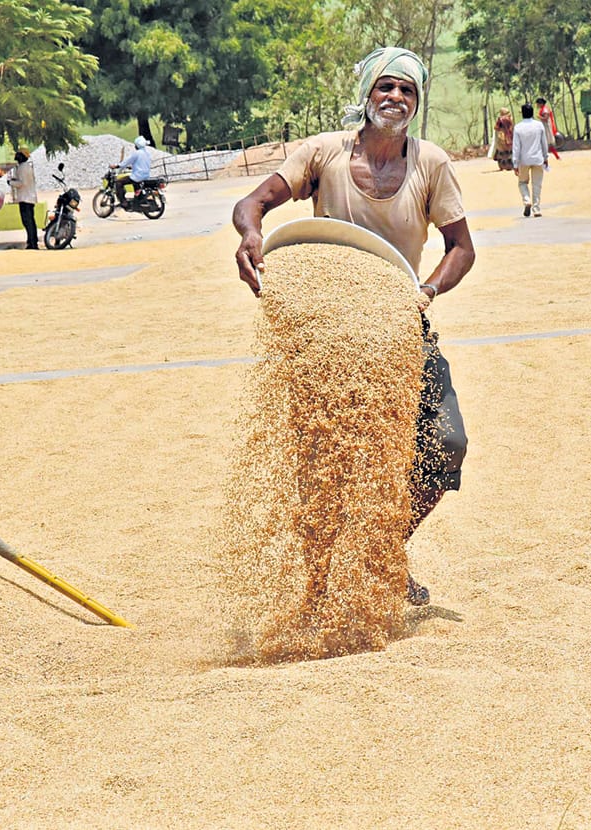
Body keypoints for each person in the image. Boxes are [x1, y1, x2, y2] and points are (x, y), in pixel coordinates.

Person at [233, 46, 476, 607]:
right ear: (367, 94)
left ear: (417, 102)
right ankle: (321, 588)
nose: (395, 98)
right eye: (385, 88)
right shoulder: (325, 153)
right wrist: (249, 234)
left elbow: (461, 248)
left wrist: (427, 290)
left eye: (407, 90)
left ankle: (384, 551)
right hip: (326, 331)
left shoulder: (431, 164)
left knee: (445, 443)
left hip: (398, 325)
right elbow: (254, 203)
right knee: (326, 460)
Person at [512, 102, 550, 217]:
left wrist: (515, 163)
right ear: (532, 113)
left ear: (522, 114)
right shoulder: (539, 126)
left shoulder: (518, 128)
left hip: (524, 160)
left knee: (522, 182)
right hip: (538, 158)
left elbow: (516, 147)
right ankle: (536, 209)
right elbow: (544, 143)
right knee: (537, 184)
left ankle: (527, 200)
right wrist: (545, 157)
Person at [8, 147, 39, 249]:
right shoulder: (27, 167)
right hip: (29, 197)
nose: (16, 156)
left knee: (27, 221)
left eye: (18, 154)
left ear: (22, 156)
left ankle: (32, 243)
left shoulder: (22, 168)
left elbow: (22, 183)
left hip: (25, 198)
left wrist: (11, 182)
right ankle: (32, 241)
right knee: (30, 221)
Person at [112, 136, 153, 205]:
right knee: (135, 183)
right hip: (146, 175)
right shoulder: (147, 153)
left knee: (118, 182)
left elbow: (127, 161)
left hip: (138, 176)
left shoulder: (136, 153)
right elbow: (141, 163)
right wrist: (132, 167)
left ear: (137, 145)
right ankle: (137, 199)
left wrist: (117, 166)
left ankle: (123, 202)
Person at [487, 106, 514, 171]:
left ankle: (502, 166)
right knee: (510, 151)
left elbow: (496, 127)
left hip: (501, 136)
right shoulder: (510, 118)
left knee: (501, 151)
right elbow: (511, 126)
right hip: (509, 136)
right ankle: (510, 165)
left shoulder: (500, 119)